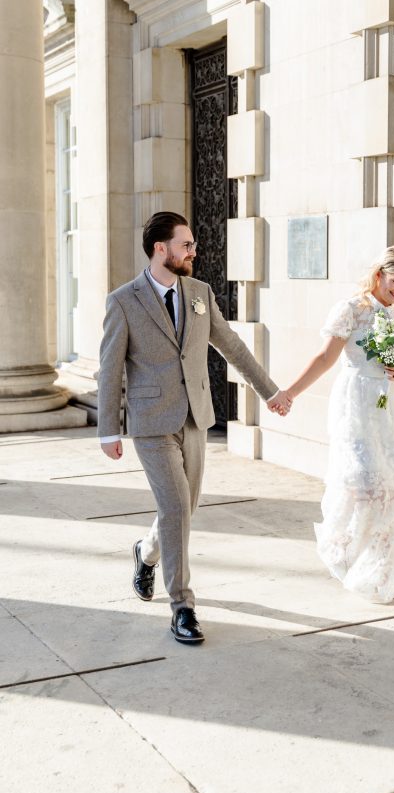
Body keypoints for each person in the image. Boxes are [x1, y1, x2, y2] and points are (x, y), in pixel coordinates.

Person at [97, 211, 290, 644]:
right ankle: (182, 606)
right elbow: (109, 369)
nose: (193, 252)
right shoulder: (124, 301)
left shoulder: (199, 293)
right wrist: (108, 428)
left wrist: (269, 391)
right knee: (174, 509)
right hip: (151, 423)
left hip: (195, 417)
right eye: (186, 245)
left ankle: (145, 554)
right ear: (160, 249)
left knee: (186, 508)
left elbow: (233, 347)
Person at [280, 246, 394, 603]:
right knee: (364, 482)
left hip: (392, 404)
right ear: (379, 274)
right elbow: (324, 357)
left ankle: (382, 568)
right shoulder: (352, 310)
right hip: (358, 403)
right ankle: (347, 552)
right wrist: (290, 393)